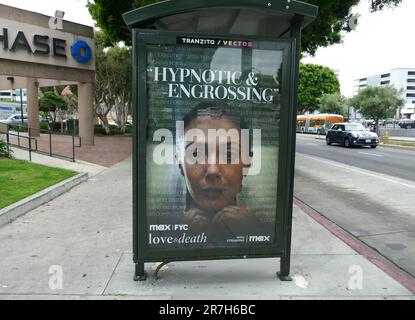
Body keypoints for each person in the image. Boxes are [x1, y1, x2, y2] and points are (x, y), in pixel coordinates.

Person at [176, 102, 272, 245]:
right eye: (196, 154)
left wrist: (255, 230)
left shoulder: (265, 229)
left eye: (228, 155)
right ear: (179, 162)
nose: (213, 170)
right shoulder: (163, 226)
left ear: (247, 163)